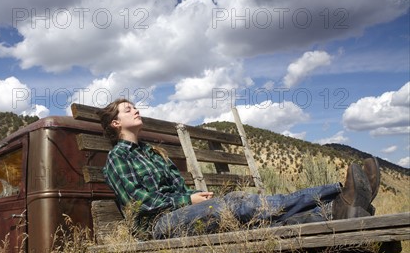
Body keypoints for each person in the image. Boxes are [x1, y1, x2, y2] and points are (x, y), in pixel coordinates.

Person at [100, 99, 380, 240]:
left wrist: (194, 197)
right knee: (235, 203)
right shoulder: (117, 159)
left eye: (135, 107)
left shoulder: (153, 153)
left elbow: (176, 189)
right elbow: (141, 202)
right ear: (115, 123)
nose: (135, 110)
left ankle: (337, 210)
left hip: (178, 214)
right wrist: (187, 200)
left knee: (261, 219)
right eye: (127, 109)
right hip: (157, 227)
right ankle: (339, 193)